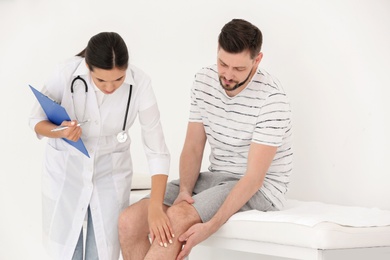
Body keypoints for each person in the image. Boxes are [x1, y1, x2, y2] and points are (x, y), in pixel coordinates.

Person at [118, 18, 293, 260]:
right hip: (214, 178)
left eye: (239, 69)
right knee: (129, 222)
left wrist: (211, 226)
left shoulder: (272, 99)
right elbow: (192, 146)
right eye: (223, 63)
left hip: (259, 188)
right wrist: (185, 191)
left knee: (178, 217)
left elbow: (254, 178)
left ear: (257, 60)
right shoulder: (204, 81)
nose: (228, 75)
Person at [29, 32, 171, 260]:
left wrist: (155, 206)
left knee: (103, 253)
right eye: (101, 80)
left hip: (111, 174)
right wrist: (61, 131)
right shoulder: (65, 73)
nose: (110, 87)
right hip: (66, 172)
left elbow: (157, 150)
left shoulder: (141, 84)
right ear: (88, 67)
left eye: (118, 79)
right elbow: (35, 121)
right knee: (67, 252)